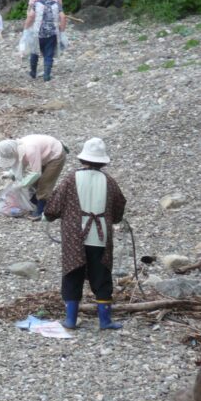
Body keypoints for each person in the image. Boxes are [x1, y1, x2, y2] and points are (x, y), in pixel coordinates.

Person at [44, 138, 127, 330]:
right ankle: (105, 321)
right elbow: (119, 206)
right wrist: (112, 218)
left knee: (73, 273)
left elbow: (54, 206)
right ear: (103, 162)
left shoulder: (71, 178)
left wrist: (48, 216)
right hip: (100, 236)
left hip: (74, 236)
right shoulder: (109, 181)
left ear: (83, 159)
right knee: (102, 275)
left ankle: (70, 320)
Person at [0, 134, 67, 220]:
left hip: (56, 155)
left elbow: (36, 173)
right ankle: (45, 204)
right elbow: (20, 165)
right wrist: (10, 173)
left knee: (44, 184)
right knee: (34, 184)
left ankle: (41, 211)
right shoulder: (19, 148)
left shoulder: (30, 150)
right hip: (43, 156)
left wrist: (21, 184)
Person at [24, 0, 66, 81]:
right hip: (52, 33)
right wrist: (62, 31)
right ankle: (47, 75)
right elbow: (63, 17)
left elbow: (30, 17)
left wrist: (26, 29)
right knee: (48, 54)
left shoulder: (36, 4)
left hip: (38, 32)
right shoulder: (56, 4)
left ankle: (33, 72)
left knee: (34, 52)